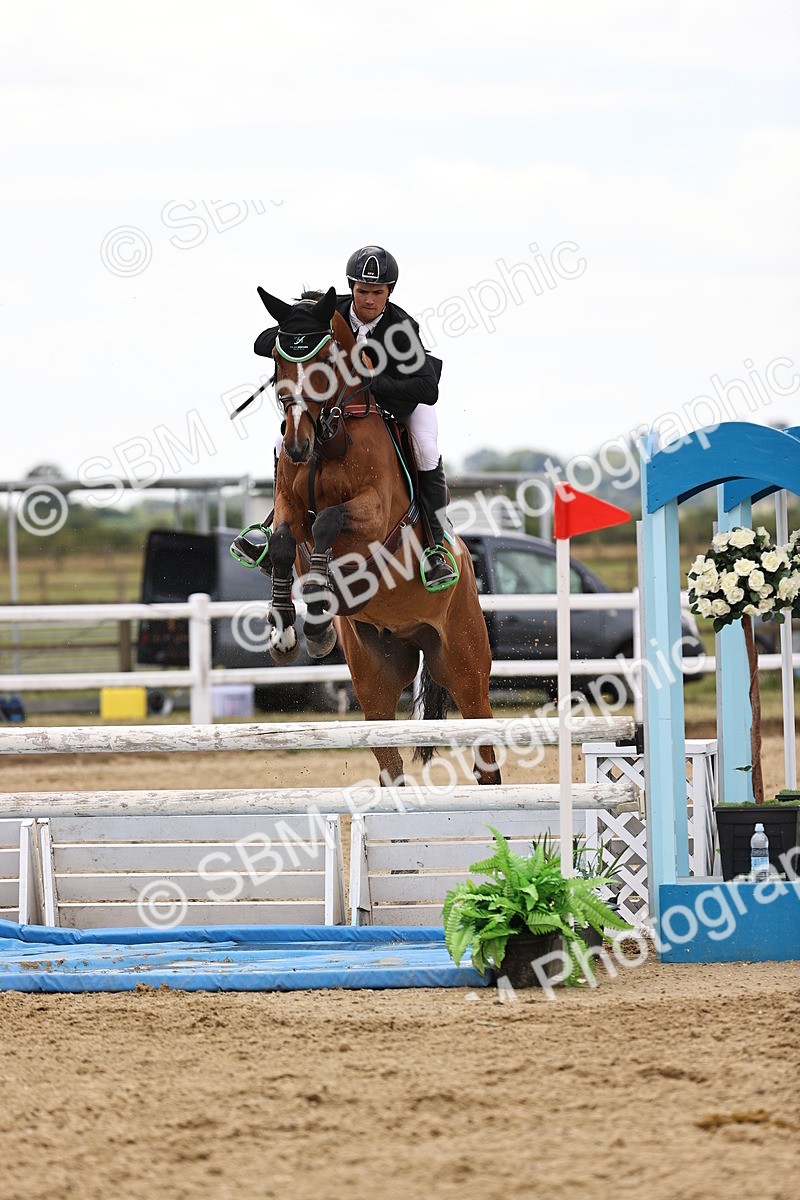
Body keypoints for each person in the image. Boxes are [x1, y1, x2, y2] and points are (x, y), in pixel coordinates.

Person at [255, 245, 458, 591]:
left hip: (401, 402)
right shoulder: (331, 315)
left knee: (425, 447)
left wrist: (371, 379)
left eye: (377, 293)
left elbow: (427, 389)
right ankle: (271, 524)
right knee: (282, 439)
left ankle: (436, 545)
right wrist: (290, 335)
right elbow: (263, 343)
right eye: (362, 291)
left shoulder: (401, 328)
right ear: (351, 288)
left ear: (388, 293)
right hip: (347, 410)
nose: (368, 300)